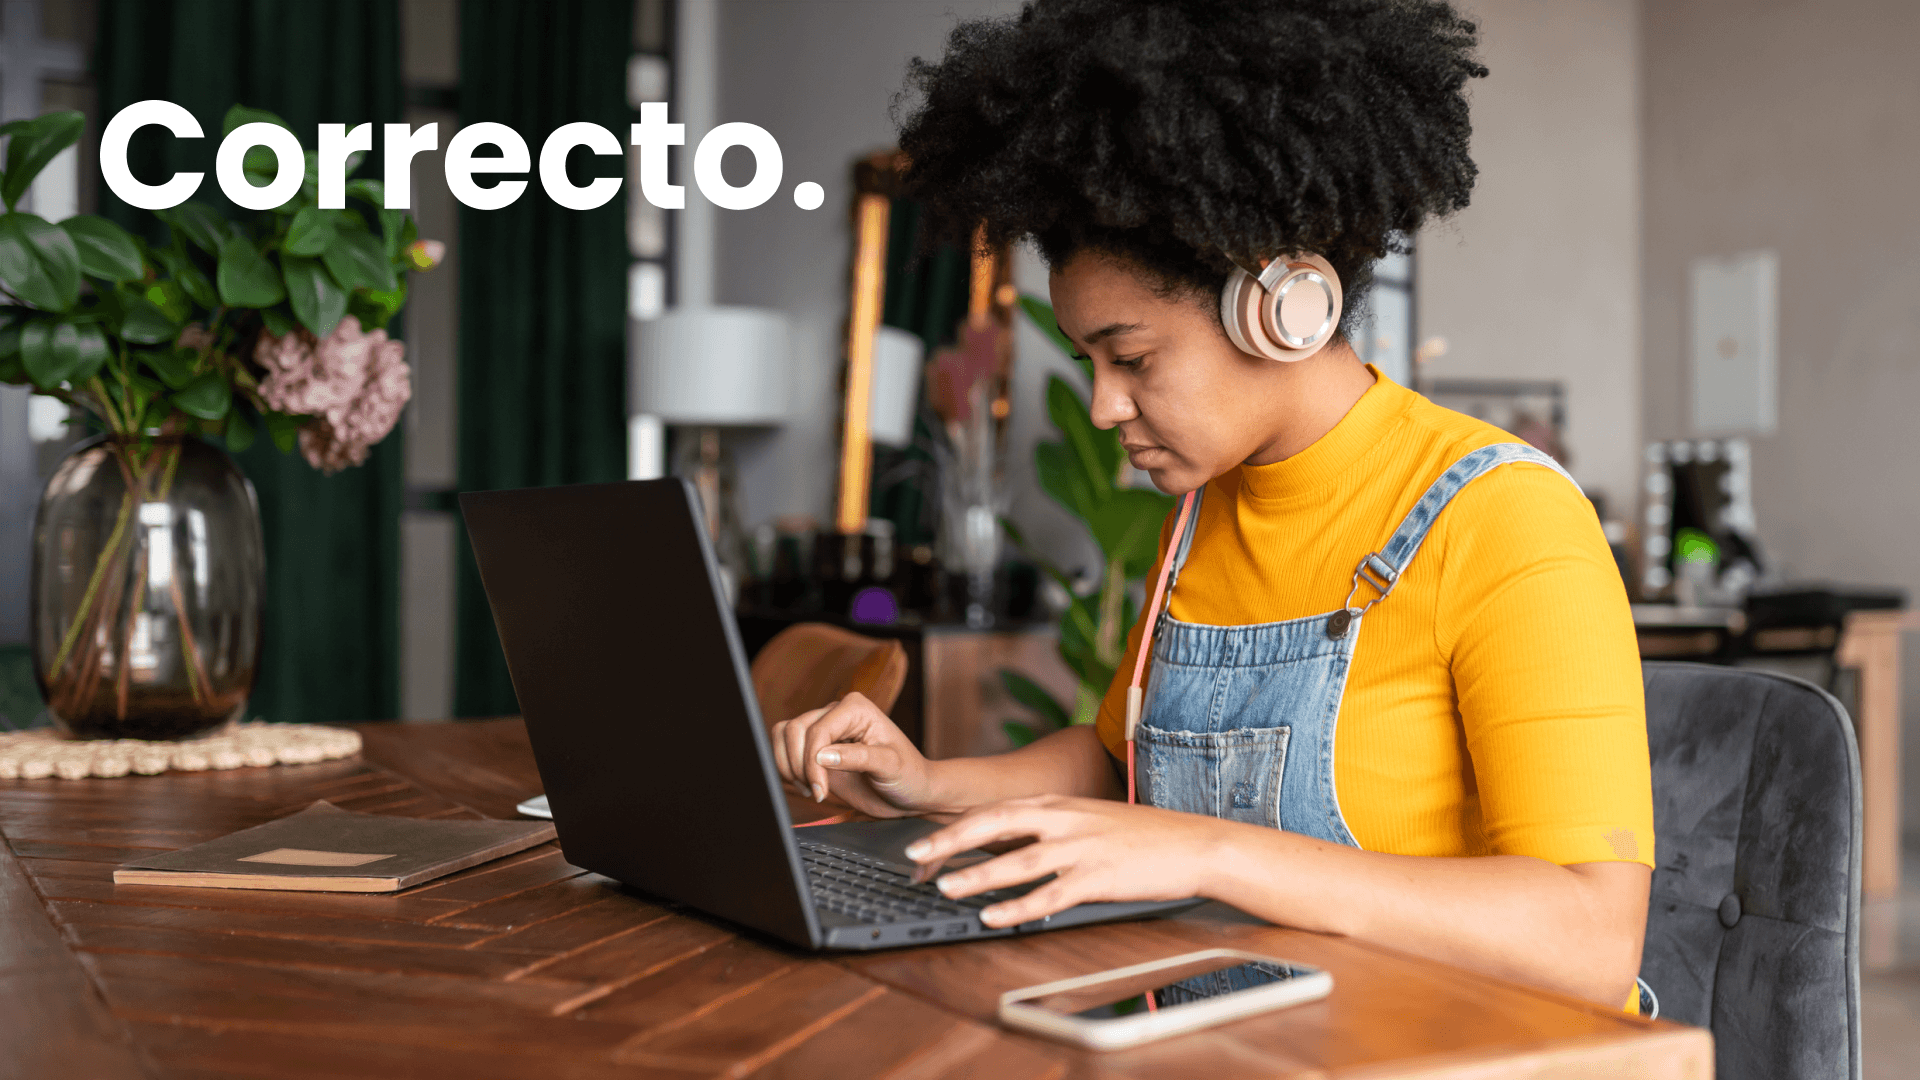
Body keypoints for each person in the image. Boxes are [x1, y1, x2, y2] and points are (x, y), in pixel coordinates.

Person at [772, 0, 1654, 1010]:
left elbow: (1590, 938)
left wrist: (1210, 853)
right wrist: (927, 784)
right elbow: (1118, 769)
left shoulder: (1505, 521)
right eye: (1091, 362)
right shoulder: (1203, 513)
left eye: (1133, 357)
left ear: (1284, 307)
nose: (1104, 406)